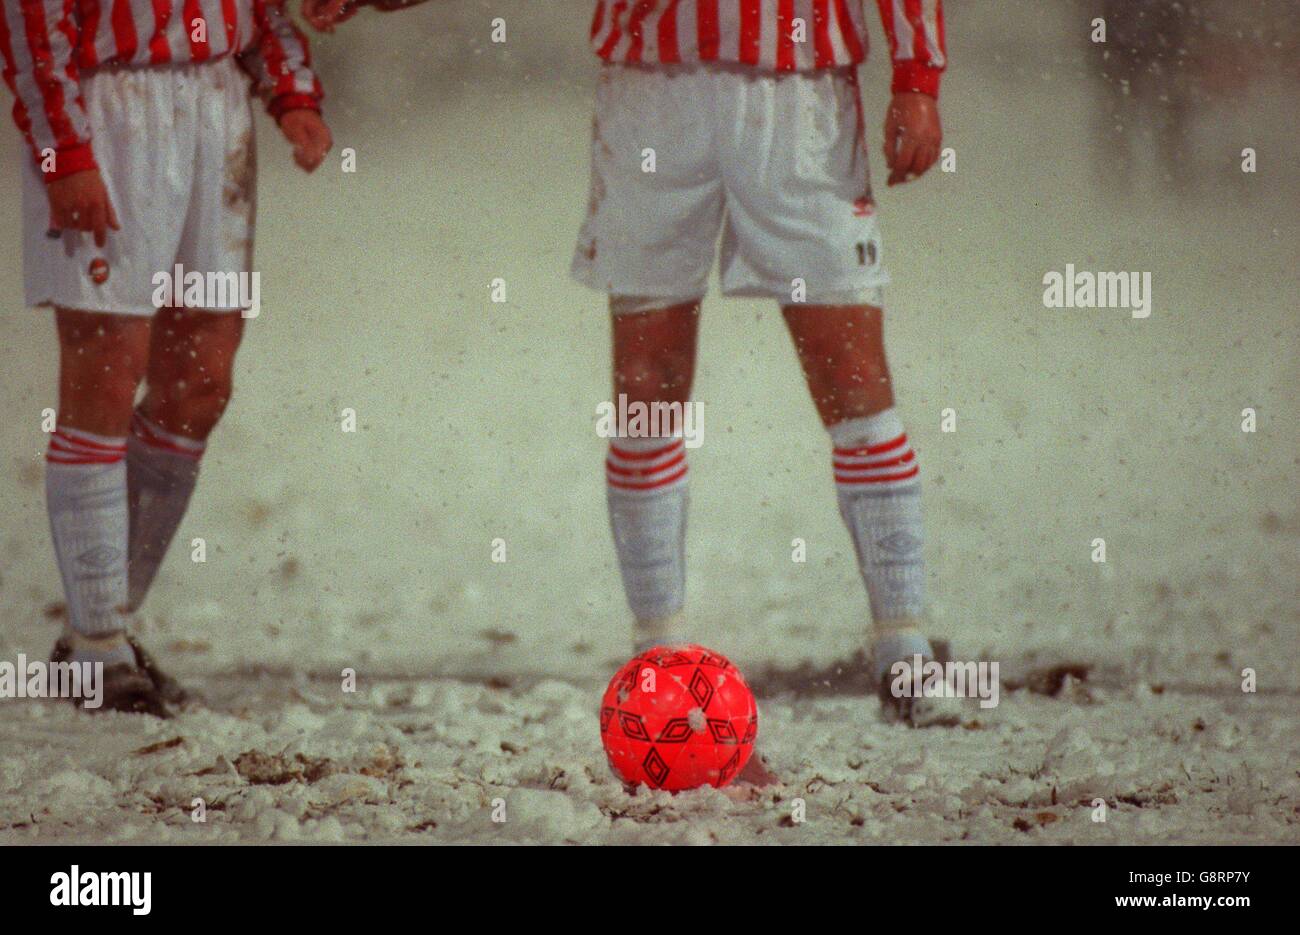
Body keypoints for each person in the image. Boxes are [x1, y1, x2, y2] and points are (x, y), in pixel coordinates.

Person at [1, 0, 332, 715]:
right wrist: (64, 152)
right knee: (106, 373)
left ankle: (100, 627)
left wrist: (291, 91)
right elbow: (30, 23)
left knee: (201, 382)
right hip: (110, 111)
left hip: (215, 107)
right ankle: (97, 646)